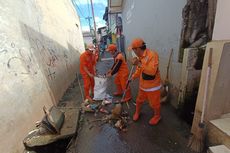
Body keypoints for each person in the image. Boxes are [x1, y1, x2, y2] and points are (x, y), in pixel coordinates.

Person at [129, 38, 162, 125]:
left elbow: (152, 72)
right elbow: (139, 70)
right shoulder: (139, 57)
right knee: (139, 100)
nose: (133, 51)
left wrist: (139, 64)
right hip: (143, 85)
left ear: (137, 49)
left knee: (154, 104)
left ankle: (157, 116)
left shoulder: (152, 55)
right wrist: (133, 77)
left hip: (153, 86)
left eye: (133, 49)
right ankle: (137, 112)